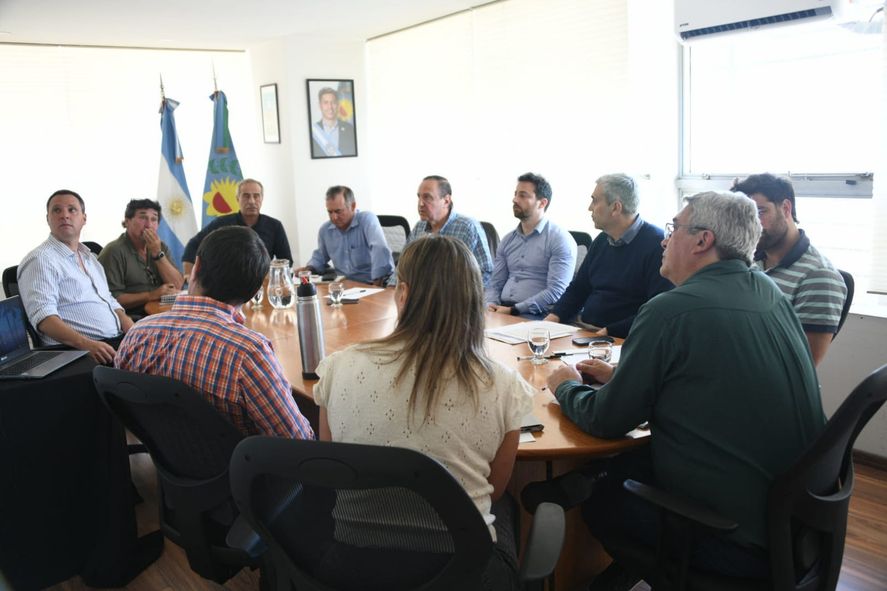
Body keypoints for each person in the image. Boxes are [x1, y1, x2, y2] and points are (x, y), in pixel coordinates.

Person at [541, 191, 824, 581]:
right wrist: (627, 379)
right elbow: (714, 378)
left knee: (601, 499)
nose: (664, 238)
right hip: (793, 524)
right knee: (623, 465)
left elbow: (606, 421)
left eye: (674, 228)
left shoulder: (669, 311)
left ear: (703, 241)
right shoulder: (769, 293)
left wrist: (565, 385)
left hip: (731, 538)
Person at [314, 235, 534, 589]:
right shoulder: (504, 387)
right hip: (463, 572)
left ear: (402, 293)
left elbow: (334, 473)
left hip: (353, 563)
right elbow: (491, 491)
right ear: (475, 300)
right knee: (507, 505)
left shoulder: (338, 367)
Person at [115, 226, 313, 440]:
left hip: (165, 461)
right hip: (239, 471)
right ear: (255, 291)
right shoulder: (248, 353)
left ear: (197, 266)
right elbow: (297, 443)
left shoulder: (137, 333)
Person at [732, 173, 847, 365]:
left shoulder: (819, 276)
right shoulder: (749, 262)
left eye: (760, 212)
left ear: (785, 208)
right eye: (743, 217)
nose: (750, 225)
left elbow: (800, 365)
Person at [544, 173, 672, 338]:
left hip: (620, 337)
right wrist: (552, 319)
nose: (590, 207)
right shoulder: (602, 239)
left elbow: (655, 310)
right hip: (585, 329)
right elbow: (579, 289)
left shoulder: (658, 245)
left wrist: (608, 332)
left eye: (595, 200)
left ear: (615, 208)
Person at [18, 189, 133, 364]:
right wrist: (87, 345)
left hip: (117, 341)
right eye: (57, 210)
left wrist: (130, 326)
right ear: (47, 218)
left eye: (72, 210)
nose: (64, 215)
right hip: (78, 352)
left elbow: (108, 299)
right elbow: (44, 318)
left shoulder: (90, 258)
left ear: (84, 218)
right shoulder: (40, 259)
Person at [485, 172, 576, 317]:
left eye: (523, 195)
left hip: (536, 314)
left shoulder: (560, 239)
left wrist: (515, 309)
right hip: (502, 310)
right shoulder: (508, 239)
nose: (514, 199)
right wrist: (490, 305)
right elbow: (494, 284)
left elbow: (557, 291)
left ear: (542, 203)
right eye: (515, 194)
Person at [182, 178, 292, 275]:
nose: (252, 201)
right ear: (237, 199)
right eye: (246, 196)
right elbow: (193, 245)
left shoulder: (274, 226)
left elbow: (287, 261)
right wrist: (189, 274)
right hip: (228, 284)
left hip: (263, 283)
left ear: (262, 199)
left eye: (256, 196)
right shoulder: (222, 224)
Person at [97, 198, 185, 318]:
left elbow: (177, 285)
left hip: (163, 310)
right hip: (132, 316)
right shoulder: (114, 251)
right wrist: (151, 295)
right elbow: (110, 299)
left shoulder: (161, 246)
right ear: (127, 221)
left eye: (154, 219)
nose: (149, 225)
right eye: (143, 218)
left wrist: (157, 253)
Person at [297, 185, 394, 286]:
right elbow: (319, 257)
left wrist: (376, 285)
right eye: (330, 212)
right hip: (344, 286)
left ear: (352, 206)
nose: (334, 217)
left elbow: (380, 249)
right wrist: (308, 269)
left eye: (338, 211)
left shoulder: (367, 220)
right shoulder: (325, 231)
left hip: (372, 283)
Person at [405, 175, 493, 285]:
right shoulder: (419, 227)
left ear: (446, 201)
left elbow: (485, 273)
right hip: (421, 294)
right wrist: (392, 286)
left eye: (427, 197)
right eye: (419, 197)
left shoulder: (467, 227)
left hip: (454, 295)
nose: (420, 204)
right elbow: (403, 266)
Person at [310, 87, 356, 158]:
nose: (330, 107)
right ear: (320, 105)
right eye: (326, 103)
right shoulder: (313, 131)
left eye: (333, 102)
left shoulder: (350, 129)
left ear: (337, 105)